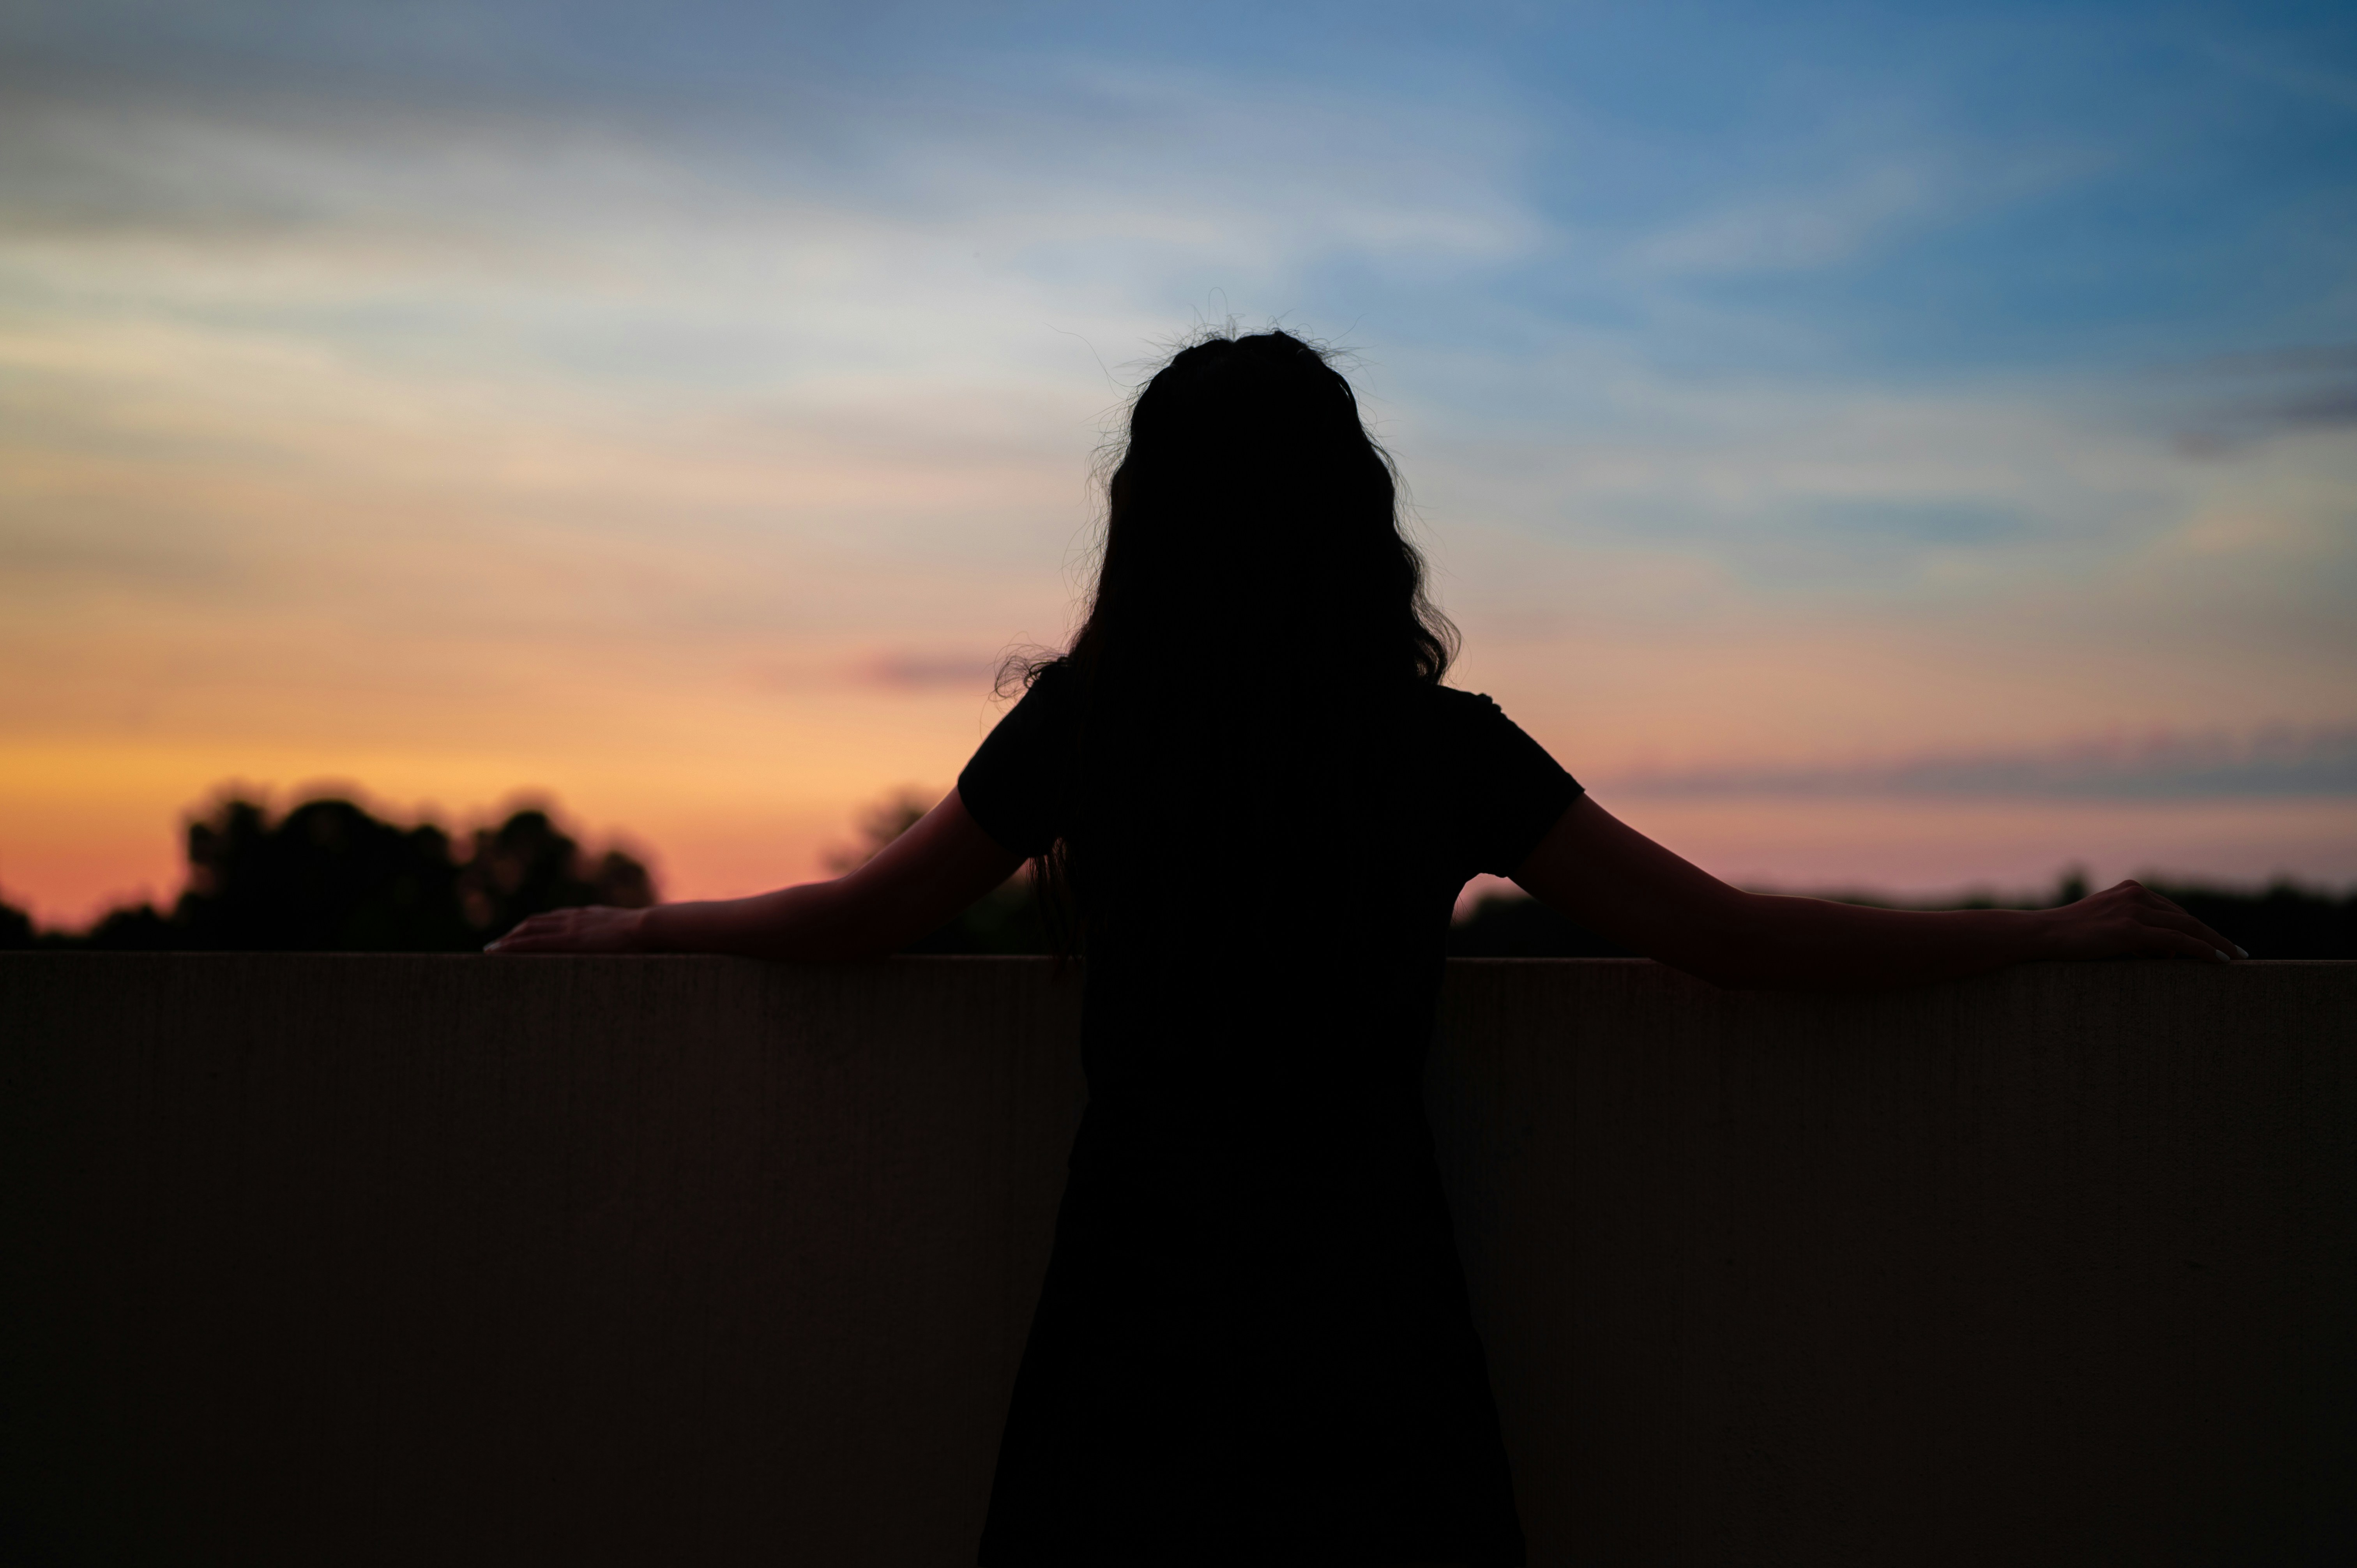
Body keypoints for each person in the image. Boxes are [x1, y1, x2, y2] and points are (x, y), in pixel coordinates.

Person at [488, 328, 2243, 1567]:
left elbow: (860, 918)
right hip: (1368, 1324)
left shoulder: (1100, 727)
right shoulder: (1440, 749)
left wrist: (636, 925)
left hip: (1138, 1317)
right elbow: (1725, 934)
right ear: (1356, 521)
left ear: (1148, 522)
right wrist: (2043, 934)